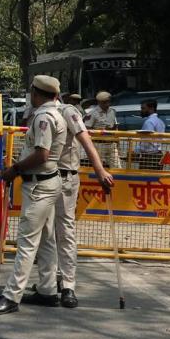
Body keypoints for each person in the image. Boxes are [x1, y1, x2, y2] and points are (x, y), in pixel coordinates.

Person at [0, 75, 68, 315]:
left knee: (27, 243)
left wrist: (15, 169)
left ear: (35, 92)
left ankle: (11, 296)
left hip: (40, 185)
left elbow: (41, 154)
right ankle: (47, 289)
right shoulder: (55, 114)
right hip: (49, 182)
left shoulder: (43, 117)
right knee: (47, 239)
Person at [36, 93, 115, 308]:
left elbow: (84, 138)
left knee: (65, 231)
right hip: (42, 179)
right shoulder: (39, 114)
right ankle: (48, 284)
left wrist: (99, 170)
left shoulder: (67, 111)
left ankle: (68, 284)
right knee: (45, 232)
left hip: (64, 178)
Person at [134, 98, 166, 167]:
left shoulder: (149, 122)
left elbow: (146, 141)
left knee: (145, 177)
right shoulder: (160, 121)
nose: (141, 111)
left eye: (143, 108)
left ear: (151, 108)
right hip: (157, 154)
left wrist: (136, 150)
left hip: (149, 157)